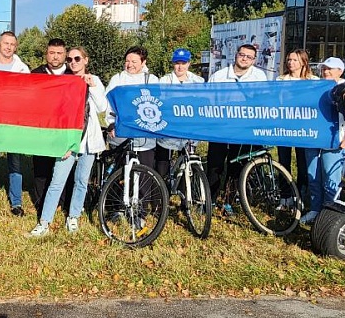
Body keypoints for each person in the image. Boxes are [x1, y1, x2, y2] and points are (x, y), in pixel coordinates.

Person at [29, 46, 107, 237]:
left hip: (88, 140)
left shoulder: (94, 80)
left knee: (81, 180)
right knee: (58, 181)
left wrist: (93, 86)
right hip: (68, 140)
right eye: (70, 59)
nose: (73, 62)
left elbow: (102, 107)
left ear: (86, 60)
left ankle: (73, 217)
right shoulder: (64, 81)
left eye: (77, 59)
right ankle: (44, 222)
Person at [206, 43, 267, 213]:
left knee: (237, 166)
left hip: (243, 129)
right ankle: (209, 199)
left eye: (249, 57)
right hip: (220, 128)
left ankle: (229, 201)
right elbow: (209, 100)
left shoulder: (259, 77)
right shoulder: (219, 76)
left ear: (254, 60)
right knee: (215, 165)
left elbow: (263, 102)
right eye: (242, 55)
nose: (244, 59)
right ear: (236, 55)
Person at [300, 57, 345, 225]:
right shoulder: (315, 87)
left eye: (330, 69)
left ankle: (329, 215)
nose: (326, 71)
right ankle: (315, 209)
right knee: (313, 177)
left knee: (330, 179)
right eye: (324, 68)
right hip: (313, 139)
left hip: (335, 141)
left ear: (340, 71)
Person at [0, 31, 30, 217]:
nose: (9, 47)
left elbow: (27, 94)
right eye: (6, 43)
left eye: (12, 44)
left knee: (15, 163)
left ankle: (16, 203)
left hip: (13, 122)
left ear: (15, 47)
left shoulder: (22, 69)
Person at [30, 38, 74, 219]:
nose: (55, 57)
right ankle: (41, 203)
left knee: (64, 168)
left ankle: (62, 203)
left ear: (64, 55)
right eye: (52, 53)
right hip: (42, 129)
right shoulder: (36, 73)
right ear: (46, 53)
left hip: (64, 129)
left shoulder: (73, 75)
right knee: (41, 168)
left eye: (59, 53)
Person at [104, 46, 159, 170]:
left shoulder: (152, 80)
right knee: (120, 178)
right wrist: (111, 124)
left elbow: (158, 105)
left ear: (143, 62)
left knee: (144, 181)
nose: (130, 65)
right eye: (127, 61)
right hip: (121, 138)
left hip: (145, 140)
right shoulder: (117, 79)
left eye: (134, 62)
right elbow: (109, 105)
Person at [276, 49, 320, 200]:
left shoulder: (313, 80)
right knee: (283, 161)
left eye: (294, 60)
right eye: (289, 59)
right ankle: (285, 194)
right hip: (284, 126)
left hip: (303, 127)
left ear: (303, 62)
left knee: (303, 162)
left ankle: (300, 194)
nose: (291, 63)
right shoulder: (281, 80)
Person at [156, 48, 204, 179]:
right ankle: (162, 196)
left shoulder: (198, 81)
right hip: (168, 129)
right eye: (177, 63)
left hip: (189, 129)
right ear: (173, 63)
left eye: (183, 63)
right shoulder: (164, 81)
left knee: (186, 165)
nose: (180, 66)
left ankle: (185, 195)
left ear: (188, 63)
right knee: (163, 165)